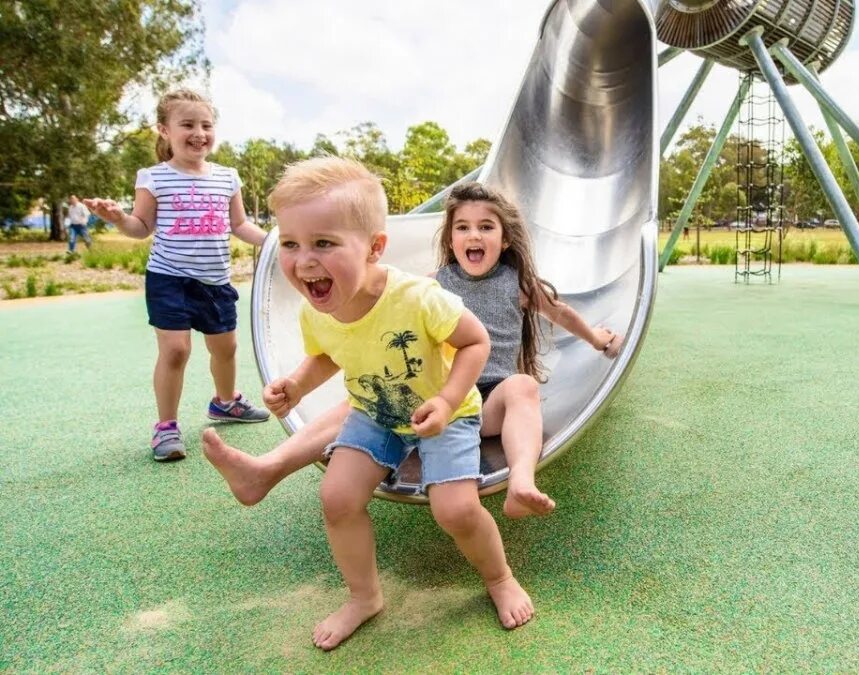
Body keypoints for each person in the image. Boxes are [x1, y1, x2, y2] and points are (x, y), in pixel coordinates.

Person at [202, 181, 622, 519]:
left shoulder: (517, 284)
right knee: (363, 402)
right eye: (463, 227)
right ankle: (266, 469)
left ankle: (522, 482)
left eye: (486, 227)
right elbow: (391, 305)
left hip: (483, 405)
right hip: (426, 399)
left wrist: (595, 338)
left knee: (523, 386)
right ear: (452, 238)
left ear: (506, 239)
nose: (473, 235)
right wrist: (298, 383)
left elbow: (560, 313)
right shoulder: (433, 284)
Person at [253, 156, 532, 648]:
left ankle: (499, 577)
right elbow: (326, 356)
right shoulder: (317, 308)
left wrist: (447, 401)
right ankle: (364, 596)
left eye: (323, 243)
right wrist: (297, 385)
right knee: (336, 498)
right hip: (376, 413)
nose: (303, 261)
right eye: (291, 244)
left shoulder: (420, 297)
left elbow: (476, 343)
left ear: (375, 248)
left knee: (455, 510)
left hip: (444, 412)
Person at [84, 88, 270, 462]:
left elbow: (240, 225)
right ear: (164, 130)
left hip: (215, 280)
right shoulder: (153, 177)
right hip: (169, 278)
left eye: (206, 125)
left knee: (226, 349)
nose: (199, 133)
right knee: (175, 351)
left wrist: (279, 243)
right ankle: (166, 427)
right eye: (187, 124)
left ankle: (225, 402)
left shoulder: (227, 177)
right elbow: (141, 227)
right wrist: (120, 219)